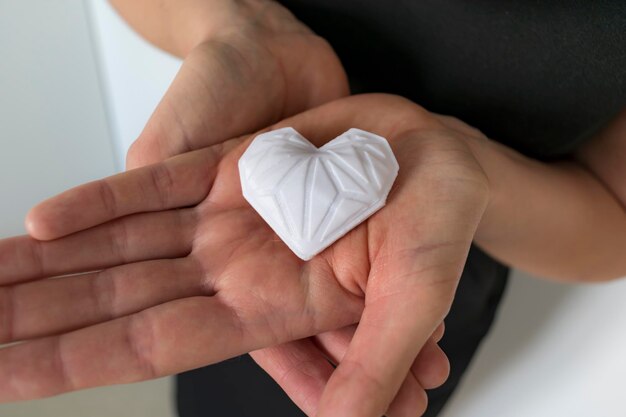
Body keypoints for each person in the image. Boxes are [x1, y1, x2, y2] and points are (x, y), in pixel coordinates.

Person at [0, 1, 625, 417]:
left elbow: (614, 214)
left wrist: (472, 165)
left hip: (425, 264)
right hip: (230, 266)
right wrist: (235, 24)